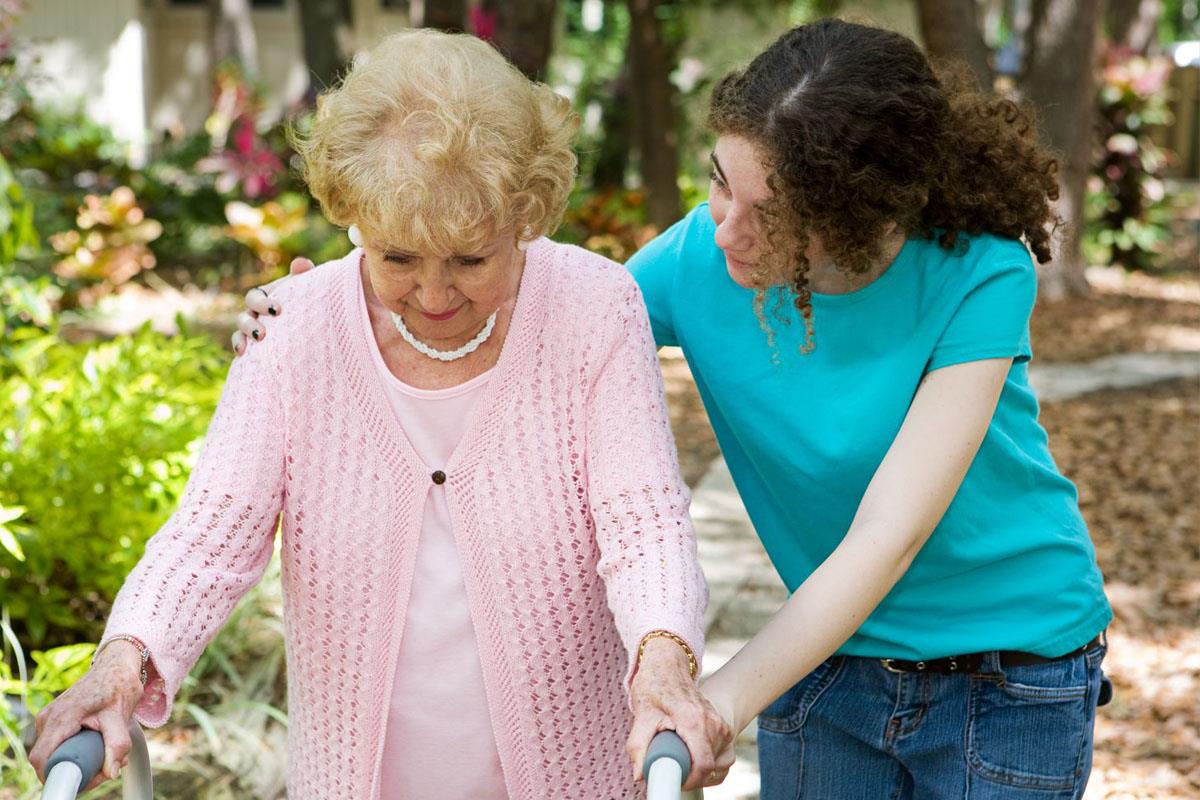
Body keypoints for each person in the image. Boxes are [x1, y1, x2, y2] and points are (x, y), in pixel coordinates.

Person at [237, 19, 1112, 798]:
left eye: (772, 216)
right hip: (823, 663)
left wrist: (713, 700)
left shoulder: (980, 271)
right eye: (719, 183)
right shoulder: (702, 255)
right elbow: (548, 310)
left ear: (854, 218)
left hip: (1009, 673)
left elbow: (889, 535)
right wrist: (335, 317)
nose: (726, 227)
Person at [29, 29, 732, 799]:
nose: (434, 296)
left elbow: (643, 522)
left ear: (527, 214)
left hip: (573, 774)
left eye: (470, 259)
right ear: (353, 217)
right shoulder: (291, 332)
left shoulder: (597, 309)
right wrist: (122, 661)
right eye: (397, 257)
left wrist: (664, 658)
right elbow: (211, 535)